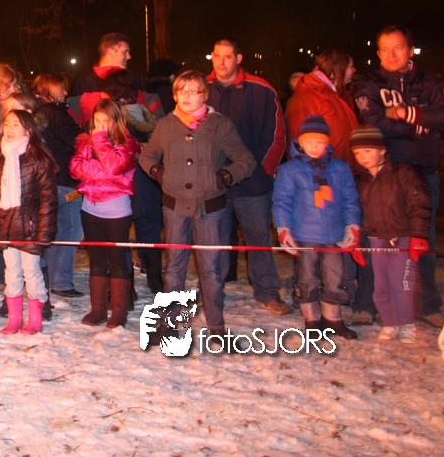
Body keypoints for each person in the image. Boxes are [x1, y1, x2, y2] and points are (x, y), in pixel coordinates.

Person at [138, 70, 256, 335]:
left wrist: (225, 176)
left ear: (204, 95)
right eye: (181, 91)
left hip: (210, 208)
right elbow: (146, 156)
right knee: (174, 267)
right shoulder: (166, 125)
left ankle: (216, 327)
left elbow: (246, 160)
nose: (187, 96)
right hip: (175, 206)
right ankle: (169, 323)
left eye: (193, 91)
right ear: (174, 95)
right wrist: (159, 173)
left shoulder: (220, 125)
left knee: (211, 269)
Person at [354, 25, 444, 327]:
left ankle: (427, 303)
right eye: (385, 49)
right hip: (383, 174)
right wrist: (420, 126)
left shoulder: (432, 81)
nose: (391, 55)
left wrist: (409, 114)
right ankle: (367, 303)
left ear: (410, 49)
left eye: (398, 48)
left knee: (422, 238)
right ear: (378, 52)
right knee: (375, 238)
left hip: (423, 172)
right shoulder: (369, 84)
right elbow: (374, 121)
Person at [206, 38, 291, 315]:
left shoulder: (261, 89)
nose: (221, 62)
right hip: (214, 184)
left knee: (258, 239)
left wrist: (263, 173)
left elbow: (277, 136)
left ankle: (267, 292)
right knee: (214, 240)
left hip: (252, 183)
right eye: (217, 56)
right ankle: (212, 292)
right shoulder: (201, 88)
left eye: (227, 57)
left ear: (239, 59)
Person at [272, 115, 362, 339]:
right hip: (304, 234)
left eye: (320, 142)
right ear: (300, 142)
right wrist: (283, 229)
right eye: (309, 141)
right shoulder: (290, 170)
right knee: (307, 277)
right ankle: (312, 319)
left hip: (334, 234)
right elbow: (282, 201)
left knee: (335, 276)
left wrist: (352, 225)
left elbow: (350, 200)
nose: (314, 146)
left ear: (327, 143)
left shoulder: (340, 168)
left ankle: (333, 318)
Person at [350, 125, 431, 344]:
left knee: (402, 283)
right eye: (357, 153)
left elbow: (420, 204)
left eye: (368, 151)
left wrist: (418, 236)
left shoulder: (404, 174)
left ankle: (407, 323)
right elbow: (357, 212)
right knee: (381, 285)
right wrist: (356, 241)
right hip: (377, 238)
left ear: (382, 150)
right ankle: (390, 322)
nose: (362, 157)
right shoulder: (360, 179)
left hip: (402, 237)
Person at [0, 109, 58, 335]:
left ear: (28, 130)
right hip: (6, 224)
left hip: (29, 225)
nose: (10, 128)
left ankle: (35, 318)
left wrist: (45, 230)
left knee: (32, 272)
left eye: (16, 124)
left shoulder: (38, 159)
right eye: (7, 124)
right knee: (11, 272)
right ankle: (14, 318)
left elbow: (48, 197)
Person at [70, 98, 142, 329]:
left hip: (116, 209)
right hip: (90, 207)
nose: (100, 125)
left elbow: (113, 166)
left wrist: (99, 140)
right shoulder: (84, 140)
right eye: (97, 120)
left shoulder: (127, 143)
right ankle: (98, 309)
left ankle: (119, 312)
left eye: (105, 121)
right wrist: (102, 170)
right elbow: (74, 168)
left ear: (115, 121)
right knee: (97, 260)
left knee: (117, 260)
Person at [33, 74, 85, 299]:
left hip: (44, 182)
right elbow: (76, 140)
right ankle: (61, 282)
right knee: (70, 231)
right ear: (50, 90)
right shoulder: (57, 114)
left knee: (48, 230)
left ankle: (45, 277)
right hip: (67, 184)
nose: (65, 93)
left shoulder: (36, 114)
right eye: (61, 89)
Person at [285, 50, 359, 165]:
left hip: (341, 171)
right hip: (324, 172)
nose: (354, 70)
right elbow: (299, 141)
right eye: (351, 66)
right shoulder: (309, 97)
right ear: (338, 69)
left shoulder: (337, 96)